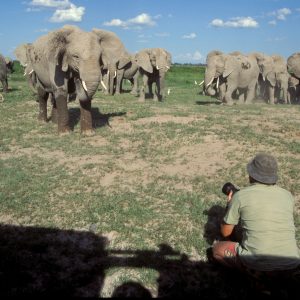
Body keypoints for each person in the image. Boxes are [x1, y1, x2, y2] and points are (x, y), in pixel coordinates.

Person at [212, 152, 300, 273]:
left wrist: (229, 205)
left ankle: (252, 275)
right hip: (292, 262)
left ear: (251, 174)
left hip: (256, 264)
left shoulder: (241, 196)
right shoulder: (287, 195)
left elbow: (225, 232)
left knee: (217, 249)